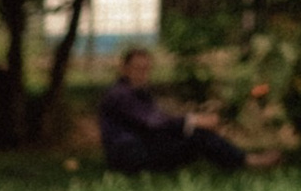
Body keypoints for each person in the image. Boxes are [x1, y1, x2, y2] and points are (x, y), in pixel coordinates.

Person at [96, 44, 249, 177]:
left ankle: (237, 162)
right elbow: (154, 124)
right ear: (124, 69)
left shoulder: (138, 93)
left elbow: (159, 124)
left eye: (146, 69)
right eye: (138, 69)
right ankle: (245, 161)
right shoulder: (120, 94)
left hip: (139, 149)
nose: (143, 74)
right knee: (197, 137)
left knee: (194, 134)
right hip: (128, 156)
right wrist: (193, 121)